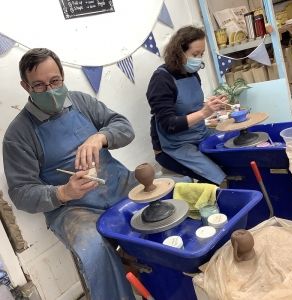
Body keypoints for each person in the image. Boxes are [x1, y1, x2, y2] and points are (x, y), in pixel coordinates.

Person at [3, 48, 137, 300]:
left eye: (55, 81)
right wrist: (62, 192)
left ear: (63, 76)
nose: (51, 90)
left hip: (118, 184)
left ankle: (167, 279)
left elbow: (124, 127)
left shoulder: (81, 102)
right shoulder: (17, 135)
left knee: (165, 197)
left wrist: (101, 137)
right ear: (25, 86)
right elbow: (20, 192)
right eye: (40, 86)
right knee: (95, 247)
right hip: (73, 209)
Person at [146, 26, 227, 185]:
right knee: (220, 179)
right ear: (179, 52)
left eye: (201, 54)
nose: (199, 59)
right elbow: (169, 124)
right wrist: (204, 113)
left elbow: (188, 105)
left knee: (233, 155)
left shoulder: (191, 73)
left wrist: (211, 105)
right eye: (195, 54)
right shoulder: (161, 80)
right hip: (174, 147)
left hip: (199, 134)